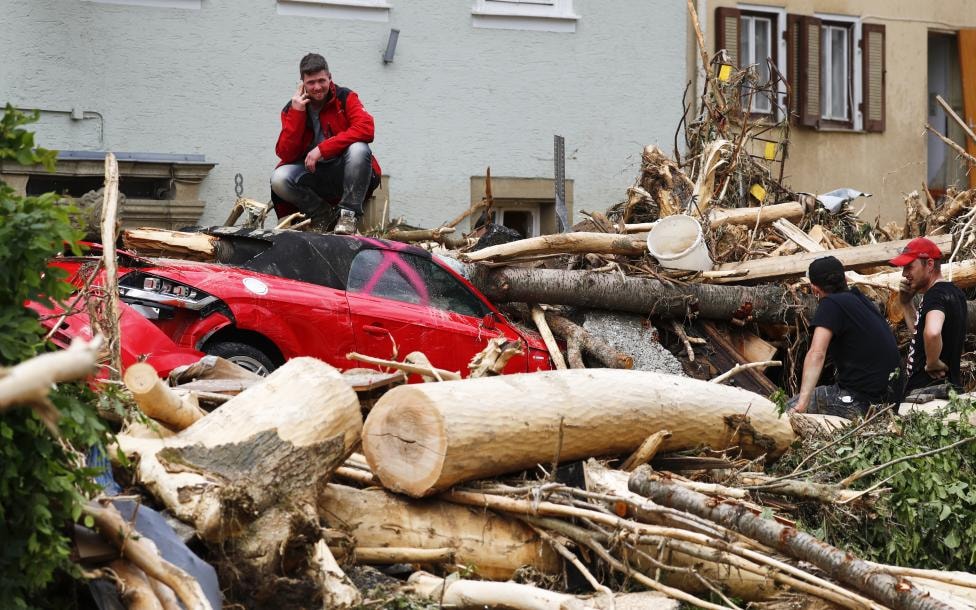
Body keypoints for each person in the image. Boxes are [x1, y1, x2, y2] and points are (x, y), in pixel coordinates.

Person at [270, 53, 381, 235]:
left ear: (330, 78)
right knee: (279, 178)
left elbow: (366, 128)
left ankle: (348, 216)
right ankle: (322, 214)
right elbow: (286, 154)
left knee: (359, 148)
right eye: (311, 82)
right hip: (314, 174)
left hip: (345, 170)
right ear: (302, 84)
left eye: (321, 80)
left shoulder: (345, 97)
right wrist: (297, 113)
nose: (317, 87)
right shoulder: (292, 108)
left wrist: (322, 149)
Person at [789, 256, 901, 419]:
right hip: (890, 400)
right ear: (844, 279)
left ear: (815, 289)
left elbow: (816, 353)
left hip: (862, 403)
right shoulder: (860, 299)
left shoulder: (830, 304)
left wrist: (802, 405)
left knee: (787, 409)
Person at [891, 237, 967, 401]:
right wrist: (906, 303)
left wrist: (932, 362)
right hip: (945, 391)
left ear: (930, 264)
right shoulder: (955, 293)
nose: (905, 274)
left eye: (909, 267)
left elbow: (932, 332)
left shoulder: (935, 295)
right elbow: (920, 333)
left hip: (928, 394)